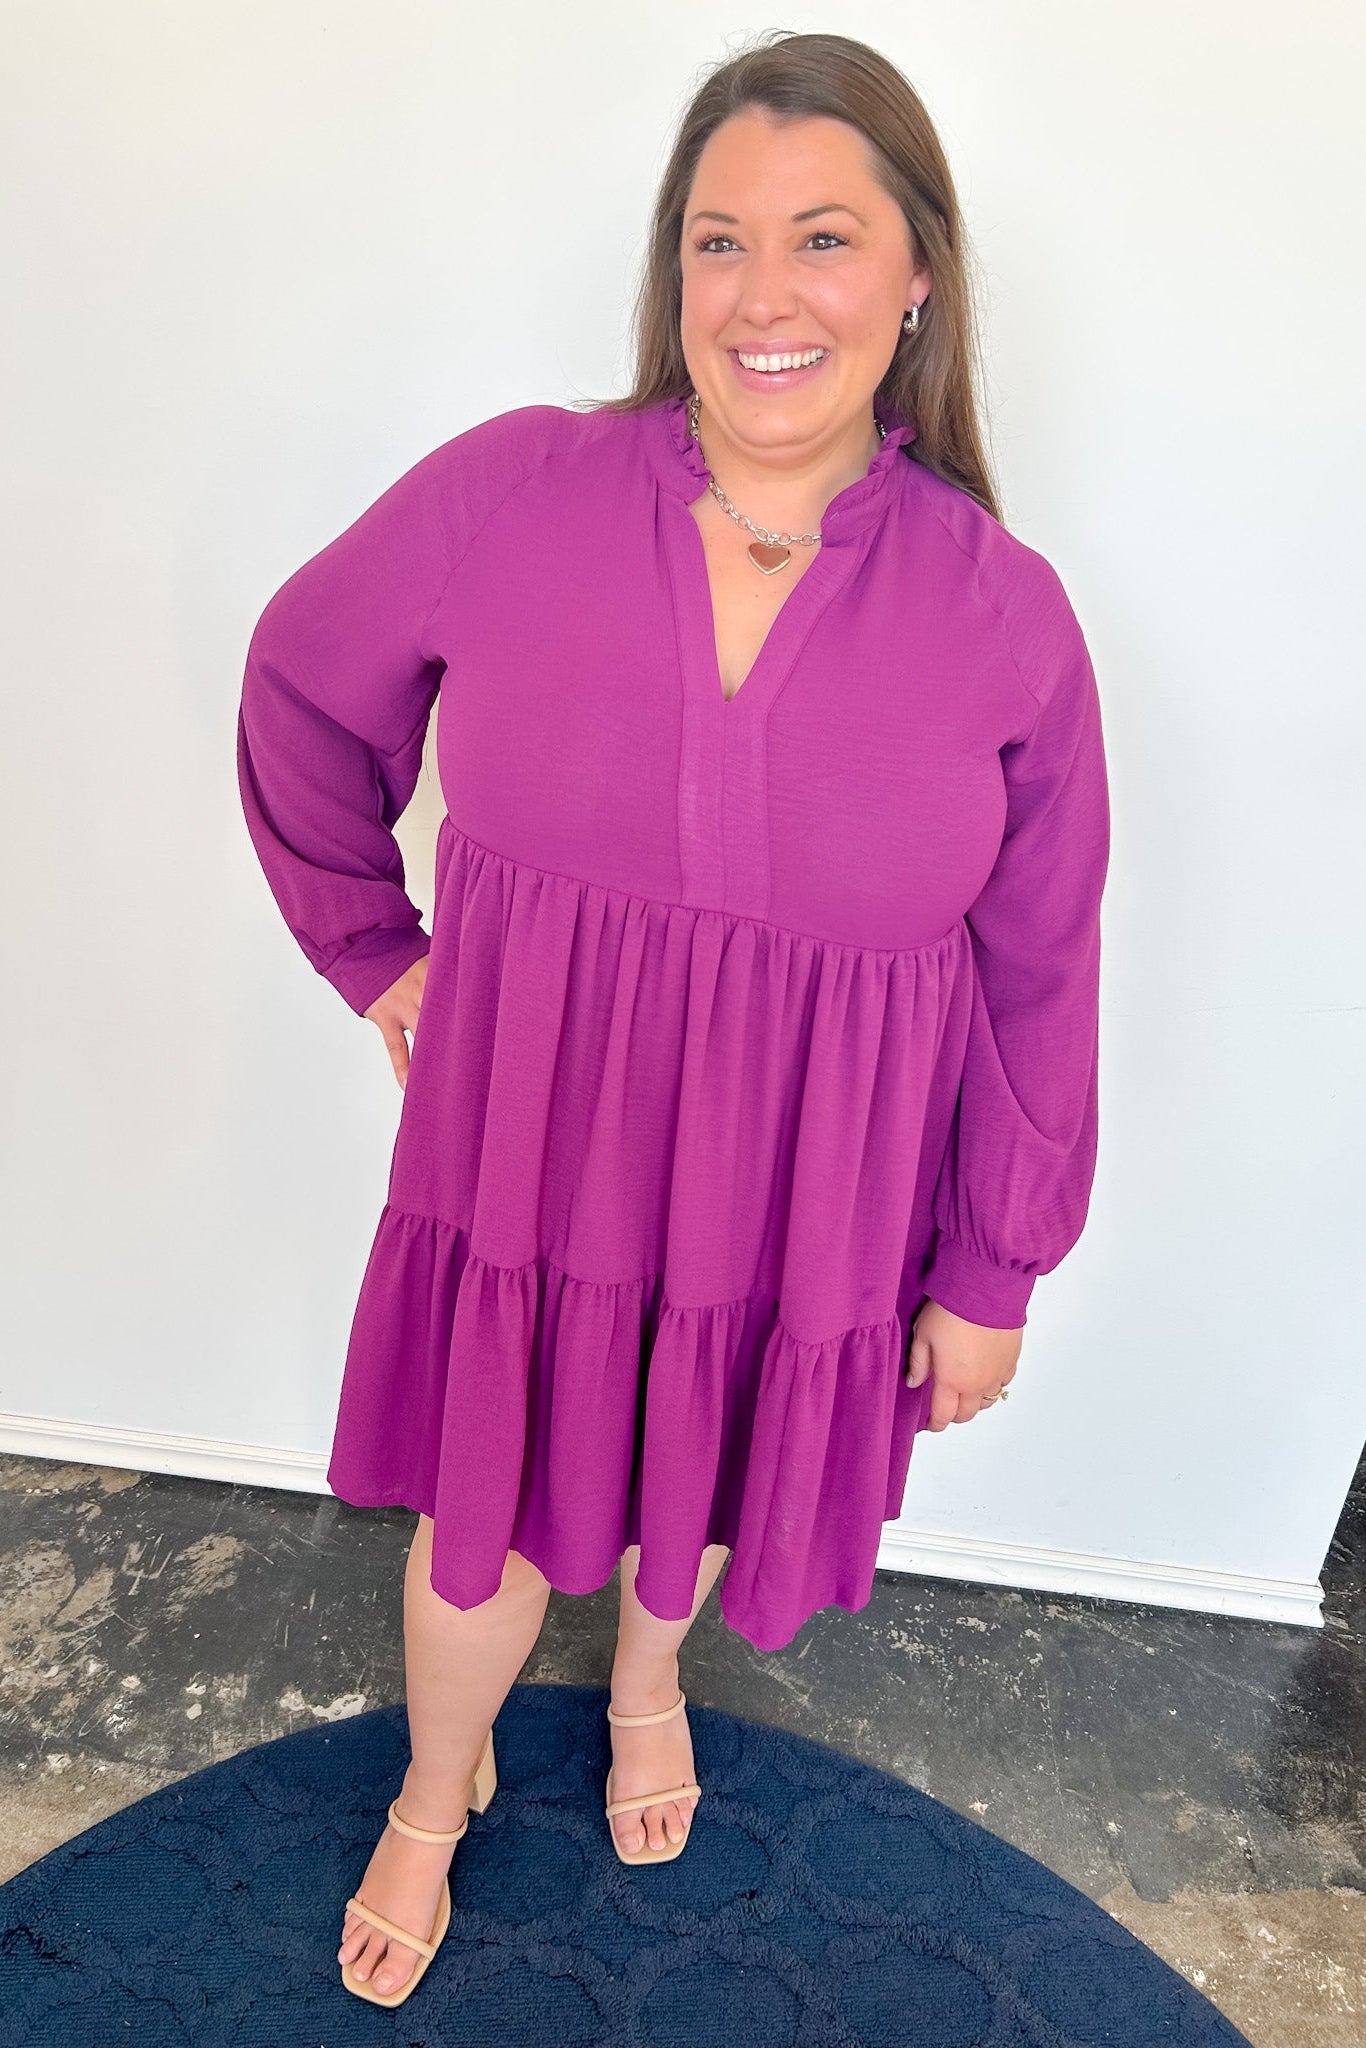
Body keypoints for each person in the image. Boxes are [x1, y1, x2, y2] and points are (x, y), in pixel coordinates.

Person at [236, 29, 1110, 2006]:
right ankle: (432, 1789)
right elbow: (299, 690)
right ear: (673, 277)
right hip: (525, 1167)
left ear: (914, 276)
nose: (762, 292)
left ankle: (647, 1679)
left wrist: (994, 1263)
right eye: (717, 240)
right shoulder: (515, 496)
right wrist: (379, 953)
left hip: (797, 1191)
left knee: (700, 1472)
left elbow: (1040, 967)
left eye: (821, 236)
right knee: (479, 1527)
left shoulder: (1001, 615)